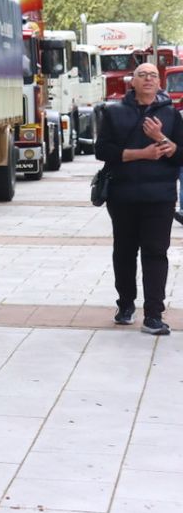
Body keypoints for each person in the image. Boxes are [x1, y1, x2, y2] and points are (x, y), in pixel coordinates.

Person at [95, 63, 183, 336]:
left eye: (153, 75)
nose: (148, 79)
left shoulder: (171, 115)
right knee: (124, 251)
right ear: (131, 82)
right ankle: (125, 305)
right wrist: (141, 154)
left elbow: (180, 154)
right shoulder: (113, 113)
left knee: (156, 252)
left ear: (160, 84)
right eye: (142, 75)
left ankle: (154, 315)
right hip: (123, 194)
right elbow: (102, 151)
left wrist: (164, 141)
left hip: (160, 196)